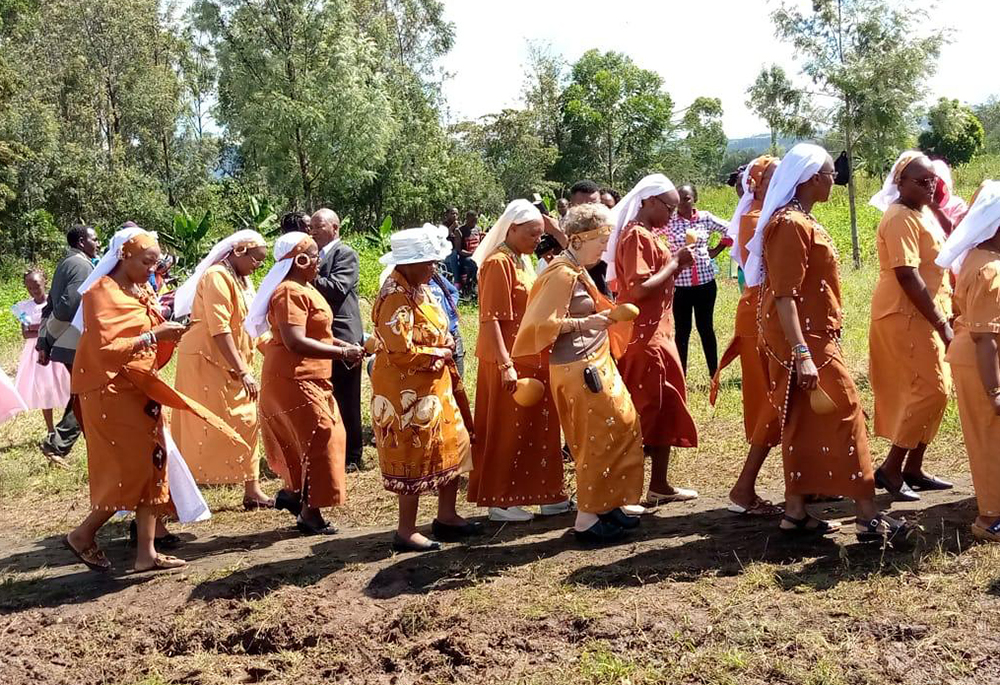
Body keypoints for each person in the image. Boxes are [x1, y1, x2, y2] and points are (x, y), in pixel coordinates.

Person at [745, 143, 910, 543]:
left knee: (801, 420)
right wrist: (803, 353)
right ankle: (868, 516)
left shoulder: (800, 220)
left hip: (814, 335)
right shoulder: (791, 225)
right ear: (810, 179)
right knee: (847, 413)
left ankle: (796, 512)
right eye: (829, 175)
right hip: (807, 340)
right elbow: (784, 295)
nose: (834, 180)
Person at [65, 226, 244, 573]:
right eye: (147, 262)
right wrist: (153, 335)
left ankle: (146, 554)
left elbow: (148, 335)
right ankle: (82, 534)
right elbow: (104, 350)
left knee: (153, 463)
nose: (152, 269)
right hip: (110, 391)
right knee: (127, 471)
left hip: (141, 386)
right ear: (124, 256)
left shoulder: (140, 289)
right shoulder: (100, 292)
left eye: (156, 262)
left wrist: (169, 333)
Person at [513, 203, 645, 543]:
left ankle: (608, 503)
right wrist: (588, 322)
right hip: (579, 367)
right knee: (594, 439)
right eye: (601, 239)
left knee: (621, 427)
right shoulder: (561, 273)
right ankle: (587, 518)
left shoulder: (577, 268)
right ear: (577, 239)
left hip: (593, 361)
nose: (605, 246)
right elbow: (539, 325)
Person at [246, 225, 364, 536]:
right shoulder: (289, 292)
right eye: (313, 257)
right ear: (298, 261)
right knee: (321, 436)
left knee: (317, 437)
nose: (320, 262)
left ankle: (295, 494)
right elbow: (295, 341)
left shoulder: (307, 288)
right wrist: (342, 354)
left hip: (312, 376)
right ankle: (309, 511)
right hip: (293, 378)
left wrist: (342, 346)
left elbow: (318, 334)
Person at [370, 224, 479, 552]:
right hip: (407, 391)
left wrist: (443, 341)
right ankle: (405, 531)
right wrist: (440, 351)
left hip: (435, 385)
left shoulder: (421, 288)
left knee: (452, 444)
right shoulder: (394, 296)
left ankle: (447, 515)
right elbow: (400, 350)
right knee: (413, 451)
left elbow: (437, 325)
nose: (434, 267)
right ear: (408, 263)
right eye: (428, 261)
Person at [467, 200, 571, 522]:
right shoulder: (498, 263)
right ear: (511, 229)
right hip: (508, 360)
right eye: (531, 234)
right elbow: (491, 319)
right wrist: (504, 364)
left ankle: (549, 494)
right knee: (507, 429)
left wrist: (553, 227)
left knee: (540, 428)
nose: (536, 241)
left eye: (540, 235)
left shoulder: (522, 259)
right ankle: (502, 499)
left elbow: (571, 256)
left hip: (532, 357)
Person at [604, 175, 700, 506]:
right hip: (645, 337)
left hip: (660, 331)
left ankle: (659, 485)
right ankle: (626, 490)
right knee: (643, 411)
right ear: (649, 202)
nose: (673, 214)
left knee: (664, 408)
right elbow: (637, 288)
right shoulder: (635, 237)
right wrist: (675, 262)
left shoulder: (649, 235)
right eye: (670, 207)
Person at [867, 151, 955, 502]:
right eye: (920, 180)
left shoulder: (923, 214)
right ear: (899, 183)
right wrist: (941, 325)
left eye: (932, 179)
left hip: (927, 313)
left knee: (939, 391)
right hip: (905, 314)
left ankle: (912, 468)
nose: (929, 185)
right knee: (929, 390)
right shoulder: (900, 217)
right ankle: (891, 468)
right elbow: (907, 273)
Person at [171, 229, 273, 509]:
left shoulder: (242, 280)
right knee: (199, 427)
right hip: (206, 362)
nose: (257, 266)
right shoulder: (217, 276)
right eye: (255, 260)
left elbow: (251, 325)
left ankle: (252, 489)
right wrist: (243, 371)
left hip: (233, 361)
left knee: (248, 419)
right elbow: (220, 329)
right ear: (239, 252)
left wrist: (274, 353)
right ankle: (177, 494)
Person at [710, 155, 784, 516]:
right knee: (773, 400)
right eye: (773, 174)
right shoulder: (758, 217)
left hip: (771, 311)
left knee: (785, 398)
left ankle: (804, 484)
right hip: (761, 315)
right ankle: (745, 487)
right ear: (755, 184)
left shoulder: (774, 212)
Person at [935, 181, 1000, 543]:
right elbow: (985, 337)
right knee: (991, 438)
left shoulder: (983, 258)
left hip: (979, 358)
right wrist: (994, 391)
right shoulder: (990, 270)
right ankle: (990, 517)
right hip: (982, 363)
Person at [36, 225, 100, 466]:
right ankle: (58, 444)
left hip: (65, 342)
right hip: (74, 343)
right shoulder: (81, 265)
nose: (98, 243)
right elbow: (67, 306)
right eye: (94, 239)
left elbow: (50, 304)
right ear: (82, 241)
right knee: (86, 392)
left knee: (83, 392)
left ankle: (67, 444)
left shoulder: (67, 263)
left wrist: (45, 339)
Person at [310, 208, 365, 472]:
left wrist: (306, 277)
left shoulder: (345, 254)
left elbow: (337, 289)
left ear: (335, 227)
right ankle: (332, 448)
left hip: (343, 335)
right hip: (321, 336)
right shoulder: (312, 257)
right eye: (311, 226)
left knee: (346, 397)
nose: (314, 230)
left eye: (319, 225)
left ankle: (353, 455)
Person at [659, 184, 732, 378]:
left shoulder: (705, 218)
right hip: (680, 286)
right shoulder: (670, 221)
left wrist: (716, 250)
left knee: (705, 327)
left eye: (687, 198)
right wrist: (668, 259)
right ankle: (680, 374)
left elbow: (731, 229)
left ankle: (713, 373)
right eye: (678, 199)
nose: (682, 203)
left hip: (705, 283)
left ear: (695, 199)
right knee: (682, 330)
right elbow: (653, 238)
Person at [12, 268, 71, 437]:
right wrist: (45, 328)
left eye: (36, 285)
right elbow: (25, 333)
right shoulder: (23, 307)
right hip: (36, 353)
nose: (33, 290)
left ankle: (72, 424)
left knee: (66, 384)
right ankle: (51, 429)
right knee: (44, 389)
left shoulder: (55, 303)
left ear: (45, 282)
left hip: (56, 349)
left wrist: (37, 328)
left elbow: (61, 326)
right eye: (29, 287)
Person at [568, 180, 610, 295]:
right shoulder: (567, 230)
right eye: (582, 205)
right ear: (572, 206)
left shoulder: (608, 226)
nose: (589, 211)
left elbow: (594, 262)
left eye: (593, 204)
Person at [427, 269, 465, 376]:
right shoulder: (416, 286)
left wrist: (448, 309)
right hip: (433, 339)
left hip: (451, 332)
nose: (433, 266)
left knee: (458, 375)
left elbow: (453, 291)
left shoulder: (437, 278)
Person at [457, 211, 481, 297]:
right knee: (474, 264)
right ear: (467, 219)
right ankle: (470, 285)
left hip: (478, 255)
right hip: (465, 257)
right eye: (472, 220)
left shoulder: (478, 229)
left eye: (475, 220)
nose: (474, 222)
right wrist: (471, 253)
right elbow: (459, 250)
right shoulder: (460, 230)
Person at [441, 207, 462, 282]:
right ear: (447, 215)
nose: (455, 215)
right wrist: (451, 228)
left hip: (458, 251)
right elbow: (442, 238)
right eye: (453, 213)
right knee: (453, 254)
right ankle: (457, 281)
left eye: (456, 214)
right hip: (446, 253)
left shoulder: (459, 225)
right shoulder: (443, 226)